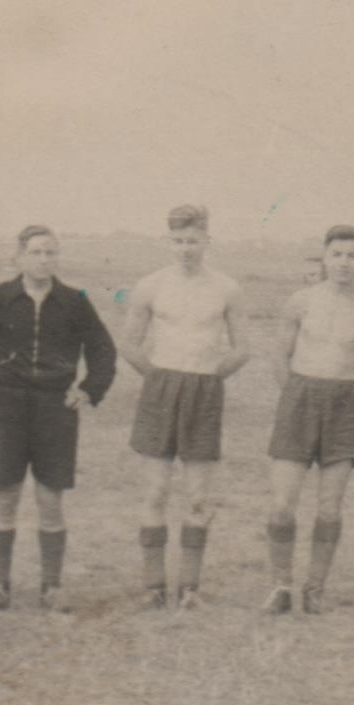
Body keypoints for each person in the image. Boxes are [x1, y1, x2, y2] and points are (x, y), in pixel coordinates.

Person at [0, 225, 117, 613]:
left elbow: (103, 350)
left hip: (55, 410)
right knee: (5, 495)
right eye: (36, 252)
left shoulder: (75, 301)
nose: (44, 260)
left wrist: (88, 389)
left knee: (50, 499)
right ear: (19, 257)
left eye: (50, 252)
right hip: (6, 407)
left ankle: (52, 587)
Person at [121, 205, 250, 611]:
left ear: (207, 240)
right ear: (168, 242)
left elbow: (242, 348)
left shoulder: (227, 288)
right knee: (156, 491)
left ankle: (190, 589)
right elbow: (129, 344)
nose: (186, 249)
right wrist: (158, 378)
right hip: (161, 388)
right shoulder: (150, 286)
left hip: (203, 391)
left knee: (197, 497)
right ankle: (153, 587)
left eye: (193, 241)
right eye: (178, 241)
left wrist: (209, 378)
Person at [261, 226, 354, 615]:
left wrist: (352, 409)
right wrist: (294, 397)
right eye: (337, 254)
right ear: (325, 257)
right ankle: (281, 585)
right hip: (300, 399)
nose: (344, 263)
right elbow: (279, 357)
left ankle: (315, 587)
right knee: (282, 503)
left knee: (330, 507)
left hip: (343, 405)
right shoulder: (301, 301)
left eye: (352, 256)